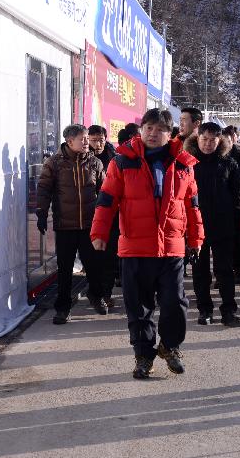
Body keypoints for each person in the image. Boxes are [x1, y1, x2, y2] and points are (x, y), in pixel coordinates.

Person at [91, 109, 204, 379]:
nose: (153, 134)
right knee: (138, 307)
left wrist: (196, 238)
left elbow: (193, 206)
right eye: (148, 128)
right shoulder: (121, 162)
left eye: (160, 129)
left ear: (171, 133)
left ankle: (170, 346)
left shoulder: (183, 164)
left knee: (175, 303)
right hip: (135, 248)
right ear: (141, 130)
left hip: (172, 248)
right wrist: (99, 233)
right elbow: (106, 200)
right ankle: (143, 355)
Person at [36, 124, 106, 324]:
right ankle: (63, 307)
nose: (87, 142)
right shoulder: (55, 163)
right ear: (69, 141)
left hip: (89, 225)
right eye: (83, 139)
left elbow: (105, 191)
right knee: (65, 268)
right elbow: (44, 189)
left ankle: (96, 295)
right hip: (65, 226)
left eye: (87, 138)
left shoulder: (95, 163)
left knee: (94, 266)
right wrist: (41, 212)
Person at [185, 123, 240, 327]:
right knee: (200, 270)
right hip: (195, 226)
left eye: (213, 140)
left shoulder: (229, 162)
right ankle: (205, 310)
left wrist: (238, 221)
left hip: (223, 224)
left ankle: (229, 310)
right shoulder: (187, 163)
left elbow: (238, 195)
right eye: (205, 139)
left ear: (220, 141)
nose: (208, 144)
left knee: (224, 270)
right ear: (197, 139)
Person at [89, 124, 121, 293]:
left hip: (111, 213)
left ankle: (106, 293)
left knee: (109, 255)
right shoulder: (83, 158)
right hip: (89, 213)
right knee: (93, 256)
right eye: (94, 141)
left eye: (101, 140)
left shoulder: (115, 159)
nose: (98, 144)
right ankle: (96, 290)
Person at [224, 125, 240, 284]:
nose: (226, 142)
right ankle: (224, 271)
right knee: (223, 241)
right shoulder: (217, 156)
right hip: (221, 205)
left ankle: (239, 269)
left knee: (238, 240)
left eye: (229, 138)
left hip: (238, 204)